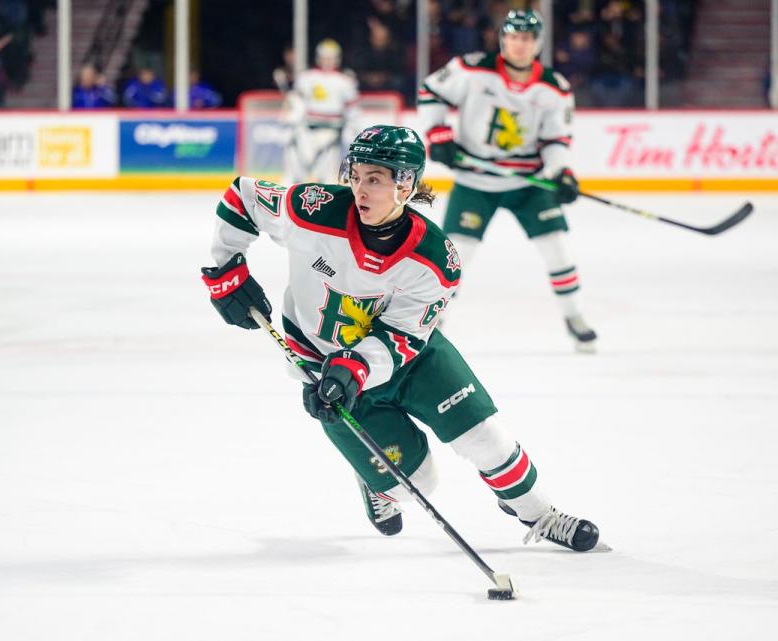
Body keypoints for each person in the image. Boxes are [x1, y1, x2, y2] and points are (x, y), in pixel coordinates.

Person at [200, 124, 600, 552]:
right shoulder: (310, 210)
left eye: (375, 179)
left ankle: (539, 513)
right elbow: (242, 196)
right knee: (418, 484)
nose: (360, 190)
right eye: (355, 176)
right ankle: (378, 485)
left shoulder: (434, 258)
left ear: (406, 184)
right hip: (324, 368)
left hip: (409, 359)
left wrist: (355, 367)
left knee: (487, 438)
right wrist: (226, 271)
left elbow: (404, 334)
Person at [418, 9, 598, 352]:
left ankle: (575, 318)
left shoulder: (553, 87)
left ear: (537, 43)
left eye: (527, 38)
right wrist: (438, 134)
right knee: (455, 255)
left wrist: (561, 173)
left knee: (556, 249)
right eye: (514, 37)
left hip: (527, 183)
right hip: (476, 181)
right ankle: (429, 322)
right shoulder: (472, 69)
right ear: (503, 39)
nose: (519, 44)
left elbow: (556, 140)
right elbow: (431, 92)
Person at [282, 38, 359, 184]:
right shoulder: (306, 77)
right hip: (306, 131)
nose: (328, 61)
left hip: (332, 133)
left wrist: (353, 128)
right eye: (325, 57)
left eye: (331, 57)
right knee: (296, 173)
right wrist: (292, 118)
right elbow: (295, 103)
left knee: (326, 177)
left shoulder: (346, 80)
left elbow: (352, 110)